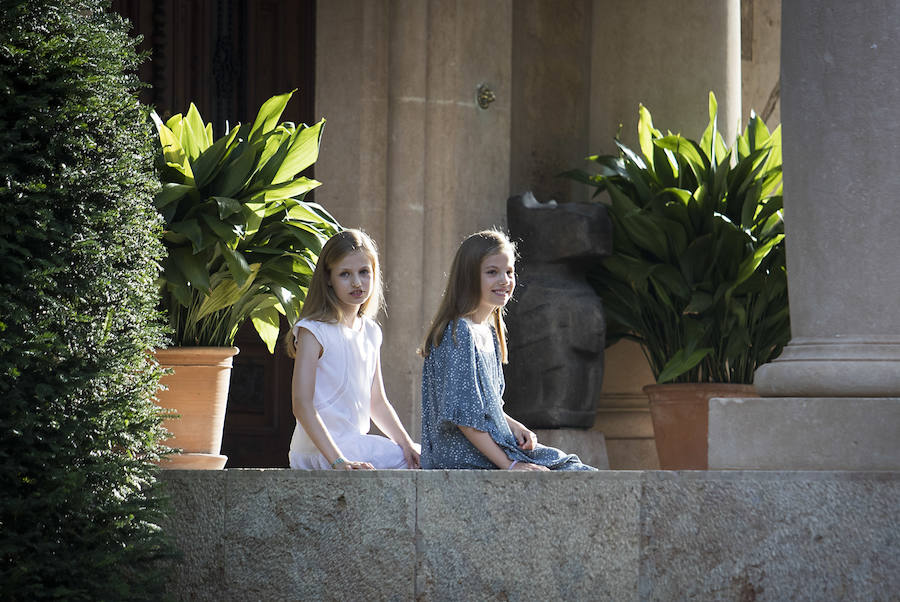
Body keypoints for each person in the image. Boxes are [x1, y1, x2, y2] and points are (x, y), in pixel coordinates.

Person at [419, 230, 596, 471]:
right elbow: (465, 419)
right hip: (462, 454)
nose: (505, 280)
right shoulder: (459, 332)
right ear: (468, 277)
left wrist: (513, 425)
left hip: (494, 446)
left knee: (573, 466)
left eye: (509, 272)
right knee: (571, 471)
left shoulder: (488, 331)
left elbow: (487, 409)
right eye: (492, 272)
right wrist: (511, 465)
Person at [285, 229, 420, 470]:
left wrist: (407, 444)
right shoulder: (313, 330)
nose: (357, 282)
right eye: (345, 274)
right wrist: (338, 461)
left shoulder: (370, 331)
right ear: (328, 278)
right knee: (426, 463)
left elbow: (377, 402)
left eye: (364, 272)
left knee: (420, 456)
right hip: (318, 452)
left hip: (355, 445)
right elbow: (301, 404)